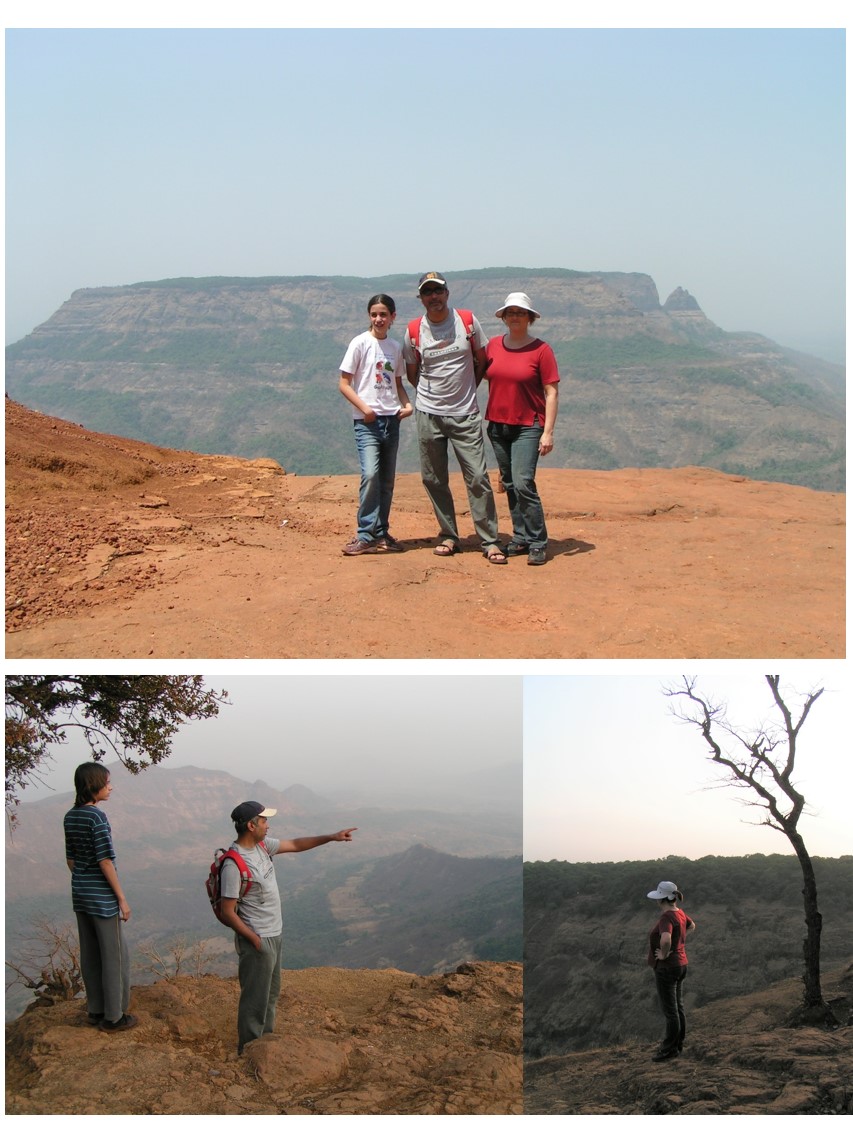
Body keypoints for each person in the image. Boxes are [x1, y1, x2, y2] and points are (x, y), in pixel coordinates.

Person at [218, 801, 357, 1054]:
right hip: (258, 938)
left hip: (274, 933)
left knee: (270, 993)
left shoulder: (262, 846)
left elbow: (295, 844)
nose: (268, 825)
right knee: (254, 999)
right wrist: (254, 938)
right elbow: (227, 912)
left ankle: (265, 1044)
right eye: (263, 821)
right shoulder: (233, 864)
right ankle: (249, 1050)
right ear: (251, 825)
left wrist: (331, 837)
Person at [403, 272, 507, 565]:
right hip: (428, 413)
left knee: (477, 477)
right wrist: (430, 399)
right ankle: (449, 535)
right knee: (433, 478)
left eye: (438, 291)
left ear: (447, 294)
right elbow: (413, 373)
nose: (433, 297)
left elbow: (482, 361)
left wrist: (465, 394)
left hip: (464, 414)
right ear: (421, 298)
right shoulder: (413, 330)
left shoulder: (467, 322)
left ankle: (489, 540)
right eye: (428, 292)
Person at [485, 292, 560, 566]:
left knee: (523, 482)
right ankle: (520, 537)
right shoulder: (492, 346)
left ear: (529, 318)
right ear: (504, 317)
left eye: (520, 312)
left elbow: (551, 392)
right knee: (509, 484)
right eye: (511, 312)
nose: (515, 316)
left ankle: (538, 541)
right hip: (497, 424)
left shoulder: (541, 350)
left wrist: (548, 431)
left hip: (529, 425)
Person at [63, 762, 136, 1032]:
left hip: (80, 894)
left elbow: (71, 860)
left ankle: (95, 1010)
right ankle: (114, 1017)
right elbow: (105, 861)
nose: (111, 787)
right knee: (115, 956)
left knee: (91, 954)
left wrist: (83, 878)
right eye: (107, 783)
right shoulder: (97, 818)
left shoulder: (70, 816)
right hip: (102, 898)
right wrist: (121, 899)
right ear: (94, 785)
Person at [339, 293, 413, 555]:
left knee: (387, 480)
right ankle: (365, 534)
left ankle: (381, 533)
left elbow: (398, 384)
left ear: (393, 317)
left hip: (391, 420)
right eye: (374, 314)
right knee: (371, 474)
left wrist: (407, 405)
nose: (378, 319)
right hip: (367, 421)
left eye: (383, 314)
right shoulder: (360, 343)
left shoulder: (394, 347)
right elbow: (344, 384)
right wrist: (364, 409)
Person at [646, 880, 696, 1061]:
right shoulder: (680, 913)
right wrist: (679, 944)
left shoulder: (666, 917)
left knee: (671, 1011)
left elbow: (665, 939)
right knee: (679, 1007)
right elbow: (692, 926)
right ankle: (678, 1044)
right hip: (681, 965)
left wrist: (665, 954)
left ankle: (668, 1050)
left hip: (667, 968)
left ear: (662, 899)